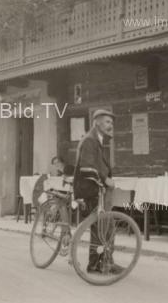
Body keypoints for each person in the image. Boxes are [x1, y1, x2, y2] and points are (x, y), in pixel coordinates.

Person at [73, 109, 119, 274]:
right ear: (97, 123)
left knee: (101, 226)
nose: (110, 126)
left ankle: (96, 264)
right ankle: (103, 263)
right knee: (106, 226)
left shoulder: (96, 140)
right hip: (90, 189)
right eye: (107, 122)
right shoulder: (90, 141)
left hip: (96, 189)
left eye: (111, 123)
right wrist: (105, 179)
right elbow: (87, 166)